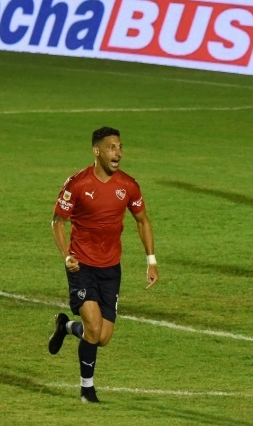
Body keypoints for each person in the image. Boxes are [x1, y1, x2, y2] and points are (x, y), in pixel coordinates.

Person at [48, 126, 159, 403]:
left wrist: (151, 261)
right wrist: (66, 256)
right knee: (94, 329)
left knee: (103, 337)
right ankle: (87, 389)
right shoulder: (77, 184)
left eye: (120, 147)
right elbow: (58, 221)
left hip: (110, 268)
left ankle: (65, 327)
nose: (118, 153)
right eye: (111, 148)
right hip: (81, 265)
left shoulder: (128, 185)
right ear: (96, 151)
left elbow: (142, 221)